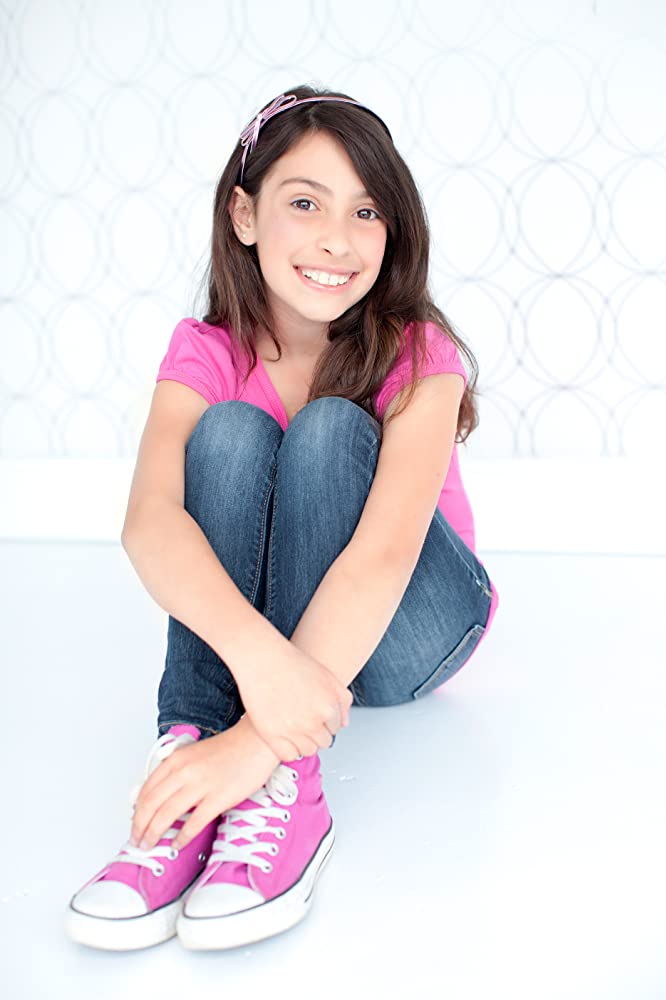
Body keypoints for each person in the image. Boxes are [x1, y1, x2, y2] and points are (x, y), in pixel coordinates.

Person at [65, 84, 500, 953]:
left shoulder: (419, 351)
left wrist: (259, 740)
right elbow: (149, 521)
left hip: (413, 626)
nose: (338, 239)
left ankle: (280, 782)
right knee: (228, 432)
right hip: (287, 649)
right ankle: (185, 768)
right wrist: (262, 666)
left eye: (366, 211)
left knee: (330, 428)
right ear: (245, 214)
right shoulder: (207, 351)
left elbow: (384, 557)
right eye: (305, 203)